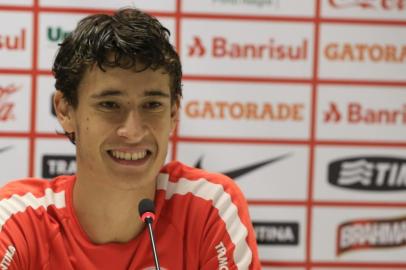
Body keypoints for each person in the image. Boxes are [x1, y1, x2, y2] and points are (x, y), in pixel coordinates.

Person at [0, 7, 260, 270]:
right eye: (110, 105)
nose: (133, 131)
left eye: (152, 105)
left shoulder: (208, 208)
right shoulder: (18, 220)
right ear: (65, 110)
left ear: (173, 113)